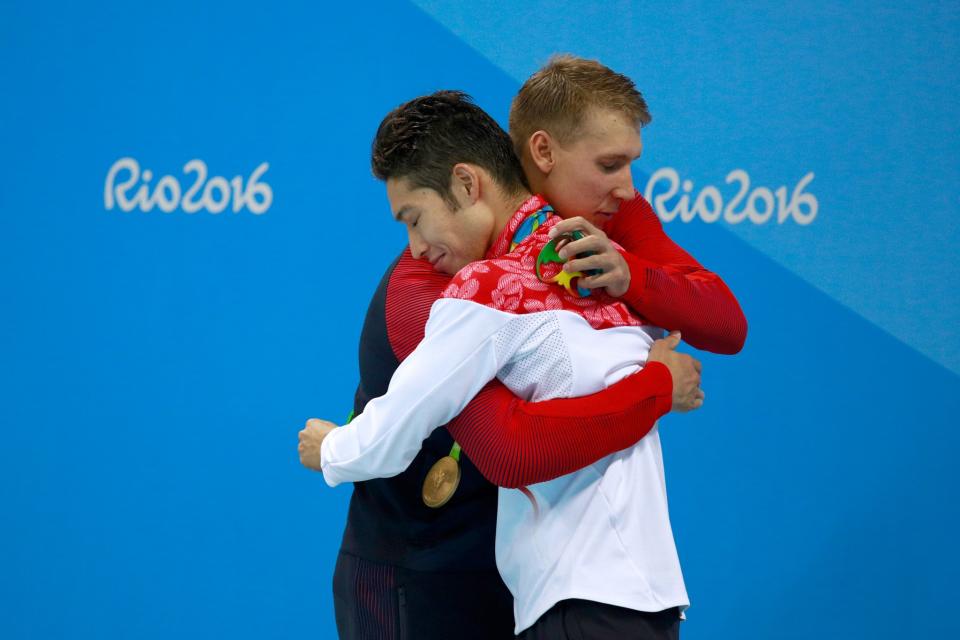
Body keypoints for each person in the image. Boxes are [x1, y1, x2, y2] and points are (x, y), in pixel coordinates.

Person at [300, 83, 743, 639]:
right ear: (543, 153)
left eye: (416, 219)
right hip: (416, 570)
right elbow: (510, 448)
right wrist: (657, 386)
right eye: (609, 164)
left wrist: (634, 274)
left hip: (531, 582)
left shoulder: (600, 232)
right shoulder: (435, 283)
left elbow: (725, 325)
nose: (627, 188)